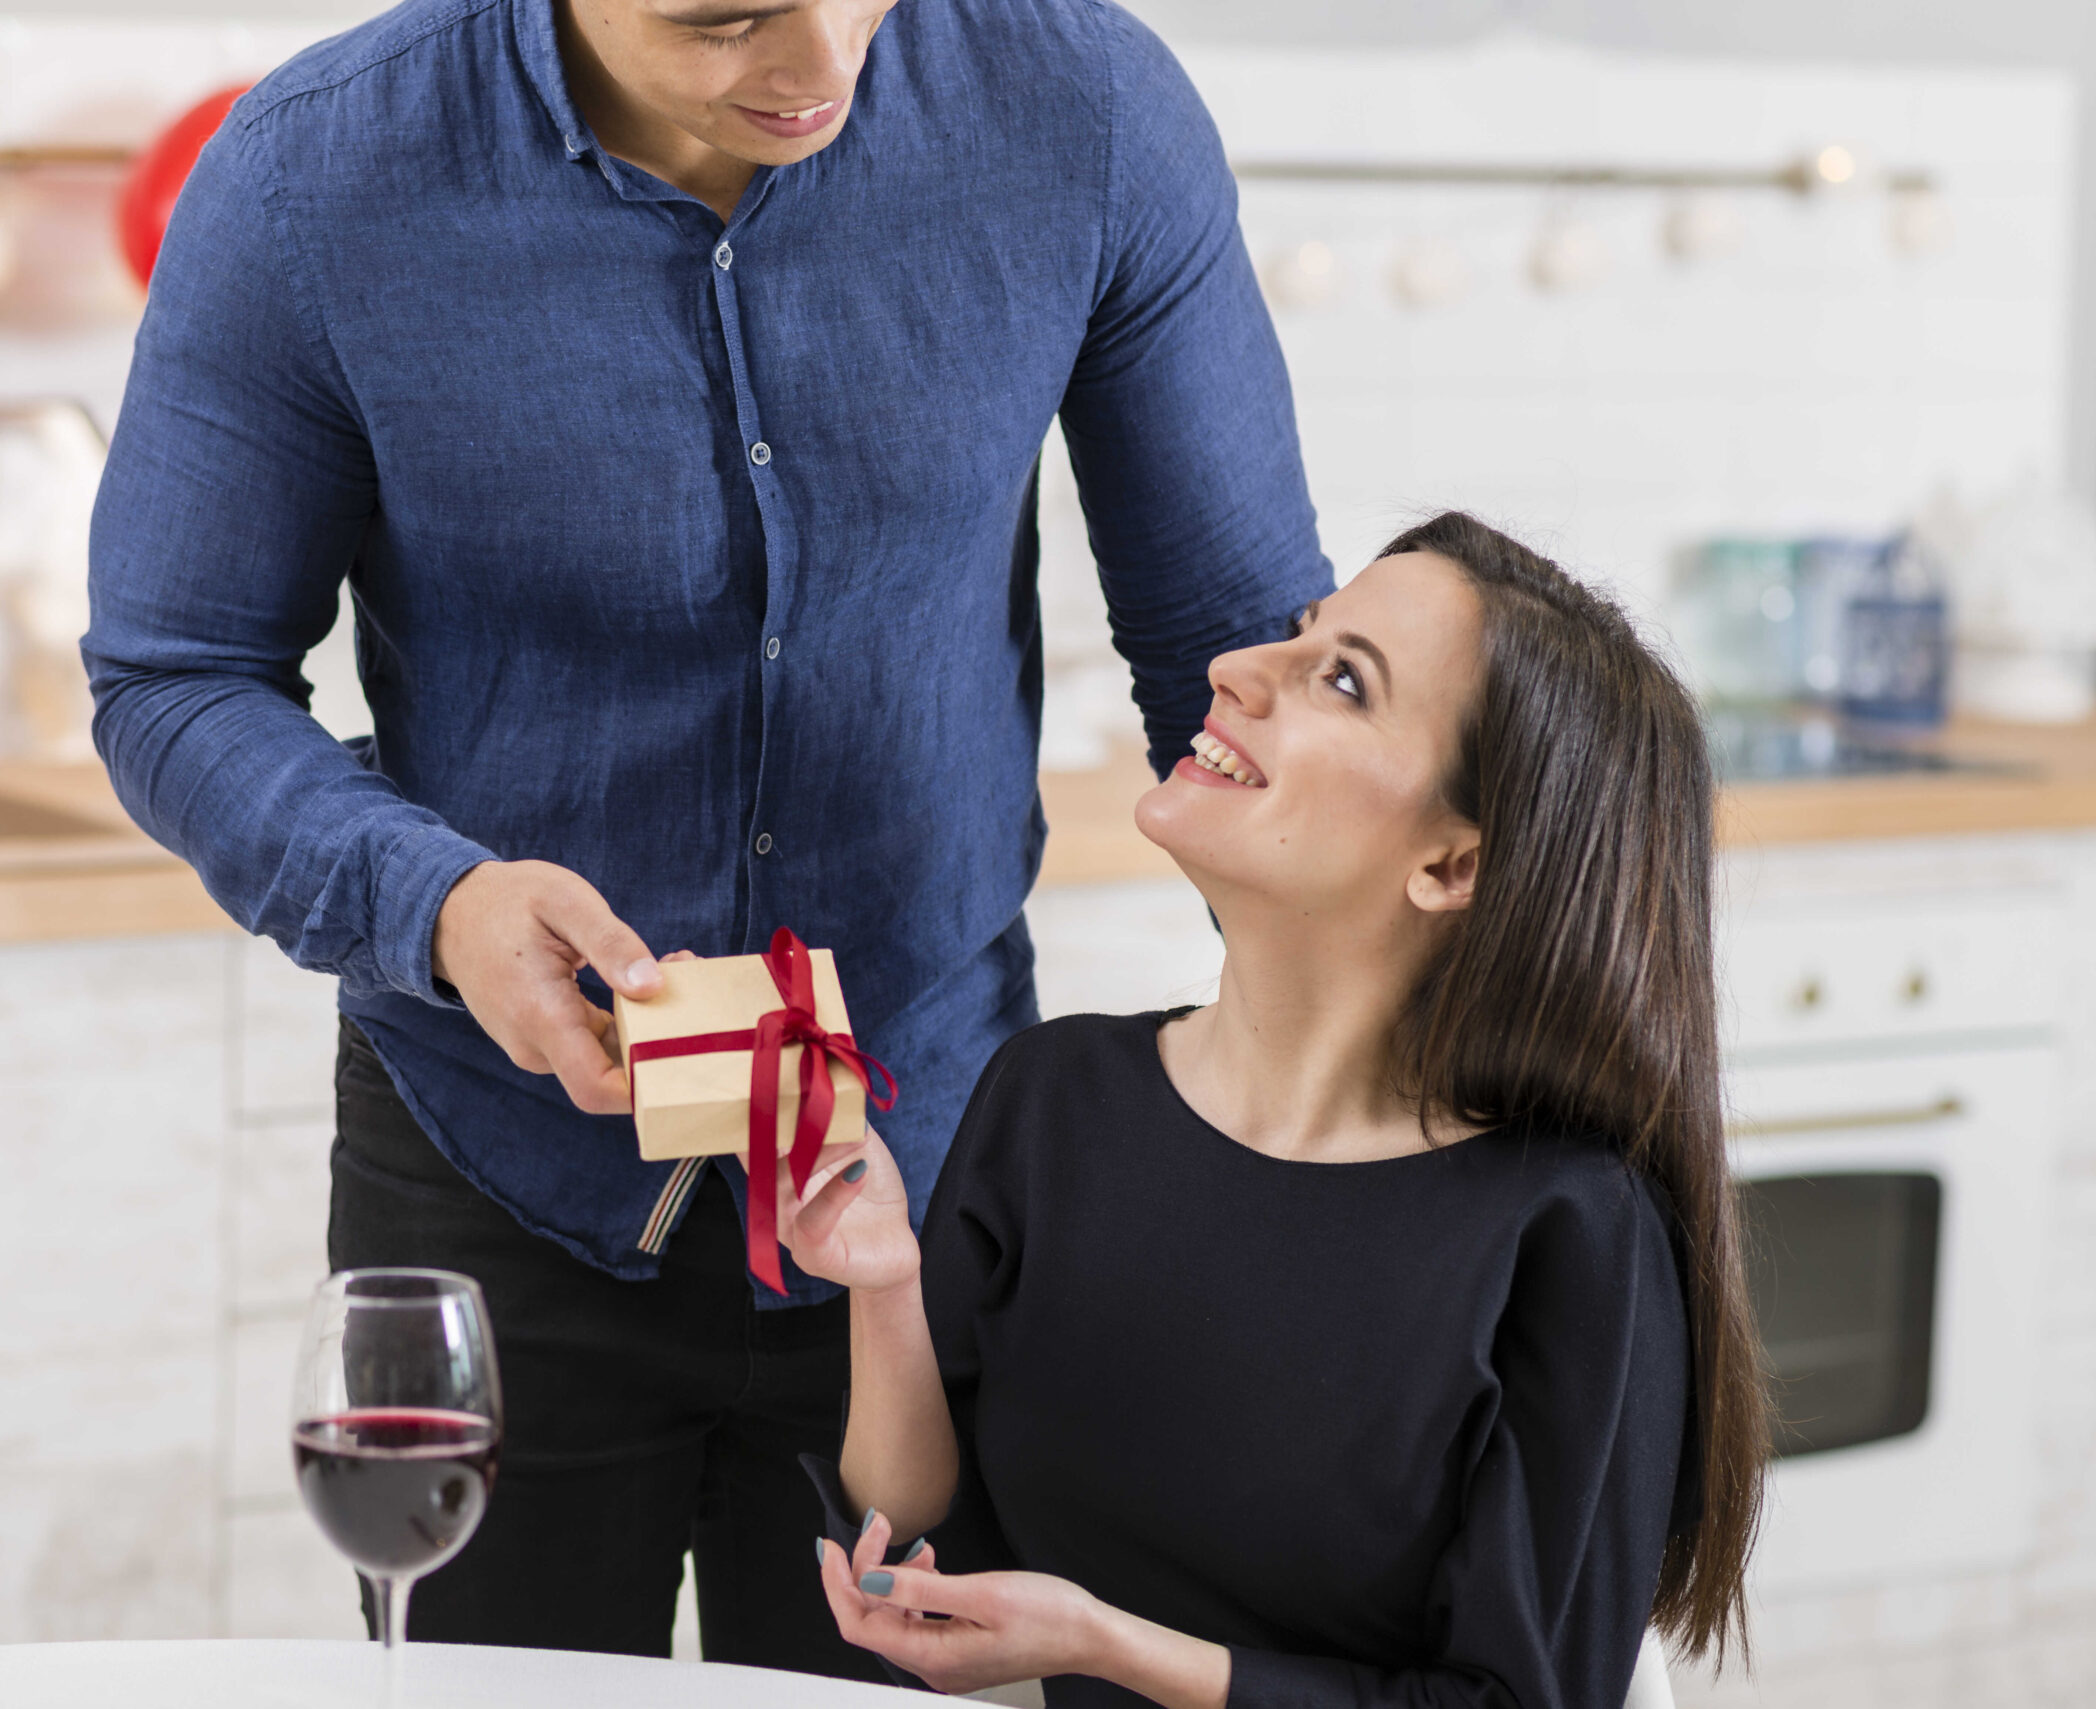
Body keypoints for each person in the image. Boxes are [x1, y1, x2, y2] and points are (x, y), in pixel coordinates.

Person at [82, 0, 1331, 1677]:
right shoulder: (312, 177)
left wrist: (1330, 1102)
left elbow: (1239, 648)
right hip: (487, 1172)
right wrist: (439, 905)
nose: (823, 68)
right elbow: (175, 674)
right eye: (727, 16)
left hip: (929, 1179)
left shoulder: (1084, 107)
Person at [777, 513, 1769, 1708]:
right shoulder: (1052, 1098)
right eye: (1298, 636)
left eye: (1340, 679)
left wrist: (1110, 1643)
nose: (1234, 670)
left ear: (1453, 865)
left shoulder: (1570, 1235)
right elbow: (926, 1533)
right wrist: (882, 1283)